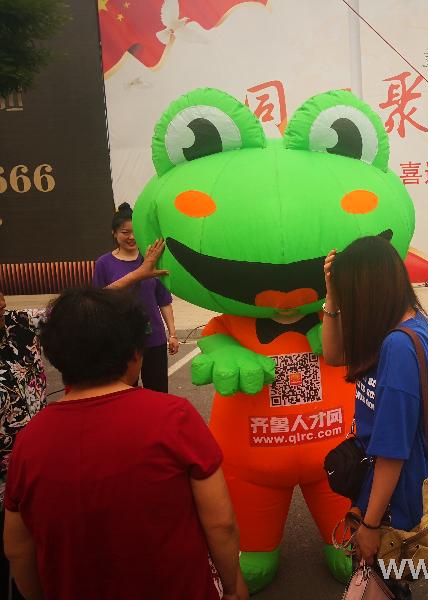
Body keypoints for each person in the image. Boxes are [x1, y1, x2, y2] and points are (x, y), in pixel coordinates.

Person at [2, 287, 249, 599]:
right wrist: (232, 586)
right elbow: (220, 522)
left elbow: (18, 549)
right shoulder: (173, 417)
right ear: (135, 353)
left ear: (57, 357)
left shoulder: (29, 440)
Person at [322, 237, 428, 599]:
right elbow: (331, 354)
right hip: (382, 483)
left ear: (367, 290)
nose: (347, 303)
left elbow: (394, 450)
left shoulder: (399, 346)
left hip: (394, 493)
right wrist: (331, 294)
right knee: (386, 578)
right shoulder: (400, 327)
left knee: (386, 583)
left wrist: (371, 523)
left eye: (348, 293)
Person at [93, 203, 179, 393]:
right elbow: (98, 298)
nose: (131, 237)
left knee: (157, 392)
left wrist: (172, 334)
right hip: (122, 339)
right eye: (125, 232)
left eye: (135, 232)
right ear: (114, 233)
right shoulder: (104, 263)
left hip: (153, 338)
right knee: (124, 392)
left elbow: (164, 300)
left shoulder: (151, 260)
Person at [0, 290, 46, 600]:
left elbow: (78, 308)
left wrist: (137, 274)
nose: (2, 299)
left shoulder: (19, 325)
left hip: (36, 467)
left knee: (33, 555)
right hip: (4, 480)